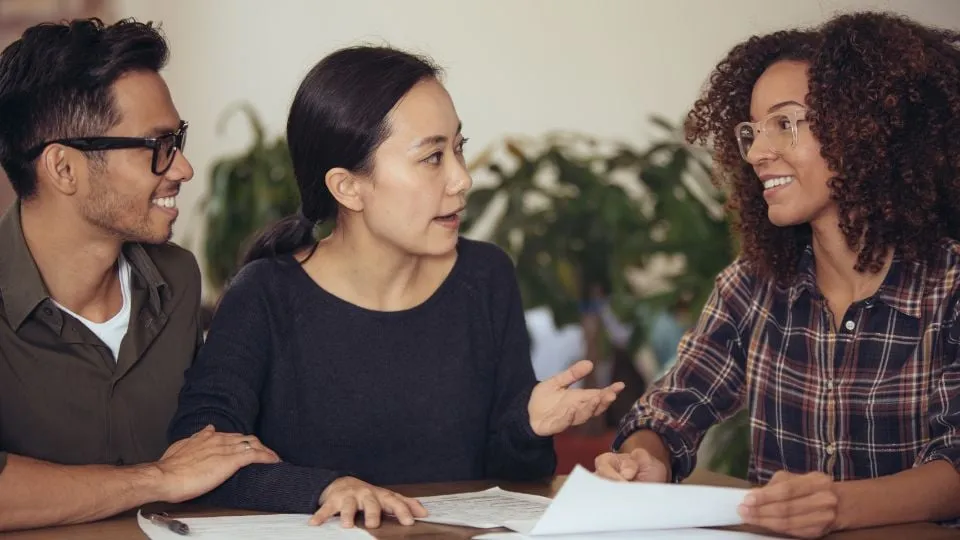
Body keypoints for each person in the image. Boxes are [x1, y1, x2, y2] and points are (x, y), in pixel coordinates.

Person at [169, 45, 624, 529]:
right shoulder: (265, 296)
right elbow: (194, 458)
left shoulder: (486, 277)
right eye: (432, 157)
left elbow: (511, 480)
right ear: (348, 187)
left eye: (458, 148)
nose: (462, 179)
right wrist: (324, 488)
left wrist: (528, 425)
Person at [595, 11, 960, 538]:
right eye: (752, 131)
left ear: (865, 129)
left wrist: (837, 506)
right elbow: (670, 410)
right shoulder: (753, 285)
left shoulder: (950, 287)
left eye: (785, 124)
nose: (759, 153)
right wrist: (645, 459)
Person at [0, 18, 278, 532]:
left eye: (177, 140)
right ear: (63, 168)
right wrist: (157, 478)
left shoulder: (178, 278)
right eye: (157, 145)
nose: (183, 168)